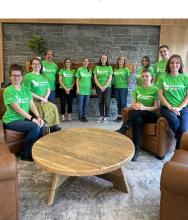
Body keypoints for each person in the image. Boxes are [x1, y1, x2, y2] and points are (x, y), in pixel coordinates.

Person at [2, 64, 45, 161]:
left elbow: (32, 105)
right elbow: (18, 109)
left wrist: (38, 117)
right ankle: (25, 153)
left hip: (23, 118)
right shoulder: (8, 91)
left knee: (42, 124)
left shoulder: (26, 89)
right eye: (14, 75)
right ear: (10, 77)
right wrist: (32, 119)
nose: (16, 78)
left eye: (18, 75)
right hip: (11, 120)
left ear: (22, 77)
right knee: (34, 126)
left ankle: (38, 151)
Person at [116, 71, 159, 161]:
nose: (144, 78)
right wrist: (134, 106)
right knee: (137, 120)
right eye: (143, 76)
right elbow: (133, 104)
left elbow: (156, 107)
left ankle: (125, 127)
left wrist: (144, 108)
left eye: (147, 76)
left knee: (139, 110)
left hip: (151, 115)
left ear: (151, 78)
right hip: (139, 114)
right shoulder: (137, 89)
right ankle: (136, 150)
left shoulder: (155, 89)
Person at [158, 54, 188, 149]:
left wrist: (179, 107)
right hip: (166, 108)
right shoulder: (162, 77)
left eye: (177, 62)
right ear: (169, 64)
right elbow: (160, 94)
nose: (174, 65)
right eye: (172, 62)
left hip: (182, 108)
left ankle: (178, 149)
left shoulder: (185, 78)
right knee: (174, 121)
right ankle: (179, 141)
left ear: (180, 64)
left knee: (184, 129)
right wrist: (170, 107)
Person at [23, 57, 61, 132]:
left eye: (38, 64)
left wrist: (45, 98)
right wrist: (40, 98)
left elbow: (48, 89)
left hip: (44, 99)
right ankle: (46, 129)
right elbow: (27, 91)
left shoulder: (43, 76)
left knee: (53, 107)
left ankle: (54, 128)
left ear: (41, 65)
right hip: (33, 101)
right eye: (34, 64)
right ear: (31, 65)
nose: (37, 65)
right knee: (42, 110)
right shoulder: (28, 76)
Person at [94, 54, 113, 123]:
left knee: (107, 102)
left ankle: (106, 116)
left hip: (107, 87)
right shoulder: (97, 67)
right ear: (100, 59)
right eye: (102, 58)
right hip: (99, 87)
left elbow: (110, 78)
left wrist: (104, 87)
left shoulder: (109, 67)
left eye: (105, 58)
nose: (103, 59)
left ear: (107, 59)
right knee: (100, 101)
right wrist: (100, 86)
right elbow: (95, 78)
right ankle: (101, 115)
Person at [113, 56, 130, 122]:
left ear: (124, 61)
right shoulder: (115, 69)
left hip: (123, 88)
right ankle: (120, 116)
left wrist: (126, 86)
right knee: (118, 103)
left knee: (123, 103)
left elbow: (128, 79)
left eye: (122, 60)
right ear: (118, 61)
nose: (121, 61)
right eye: (119, 59)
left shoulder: (126, 69)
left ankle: (125, 117)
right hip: (116, 88)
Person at [58, 57, 75, 122]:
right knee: (63, 103)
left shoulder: (73, 71)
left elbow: (74, 81)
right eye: (66, 62)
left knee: (70, 103)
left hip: (71, 89)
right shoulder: (62, 70)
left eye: (69, 62)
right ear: (64, 63)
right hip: (62, 89)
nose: (68, 63)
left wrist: (70, 88)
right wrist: (65, 88)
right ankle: (62, 117)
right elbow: (60, 80)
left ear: (70, 63)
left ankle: (69, 116)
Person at [76, 57, 92, 122]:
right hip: (81, 91)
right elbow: (77, 80)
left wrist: (90, 89)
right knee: (80, 105)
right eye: (84, 61)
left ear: (88, 63)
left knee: (85, 105)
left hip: (87, 91)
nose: (85, 62)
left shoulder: (90, 70)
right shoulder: (79, 69)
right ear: (82, 62)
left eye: (87, 61)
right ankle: (80, 117)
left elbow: (90, 80)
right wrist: (77, 89)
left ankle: (84, 116)